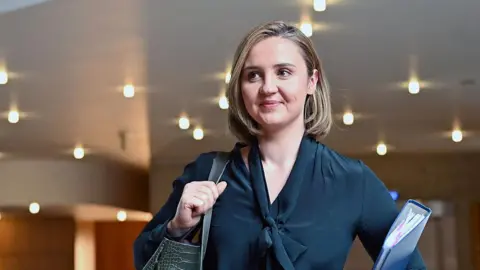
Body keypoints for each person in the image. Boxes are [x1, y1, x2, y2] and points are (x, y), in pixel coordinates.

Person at [133, 21, 426, 270]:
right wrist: (178, 227)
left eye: (283, 72)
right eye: (253, 75)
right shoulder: (207, 172)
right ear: (240, 88)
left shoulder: (353, 180)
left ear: (312, 82)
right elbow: (145, 262)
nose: (268, 87)